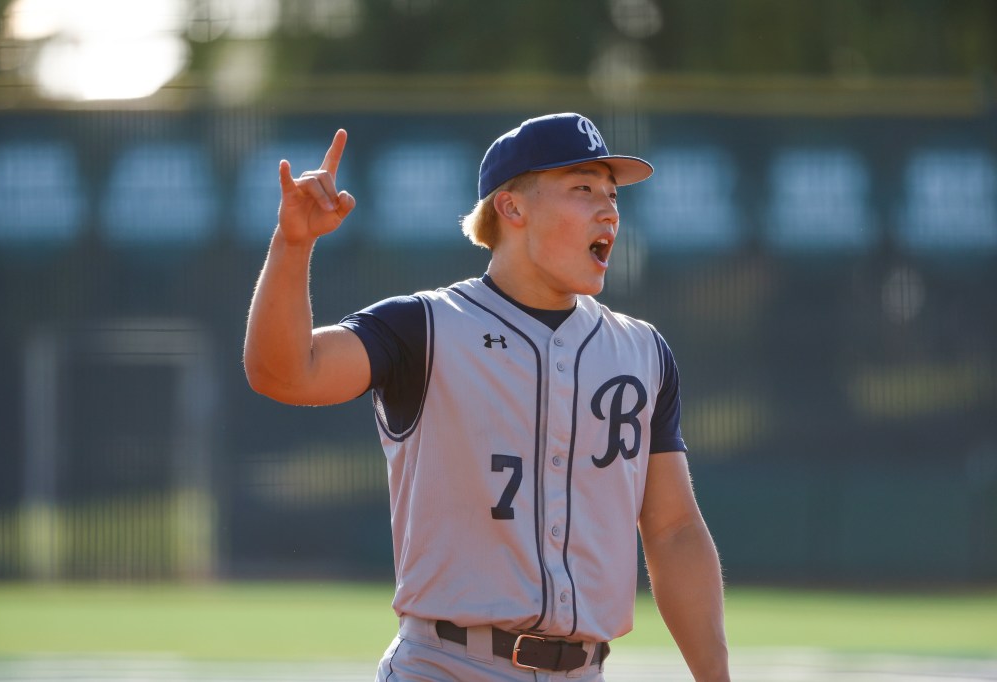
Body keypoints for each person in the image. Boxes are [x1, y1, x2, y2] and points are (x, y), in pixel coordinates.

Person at [244, 113, 731, 681]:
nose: (608, 210)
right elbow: (285, 374)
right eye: (582, 188)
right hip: (447, 666)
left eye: (612, 194)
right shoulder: (425, 326)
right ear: (512, 207)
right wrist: (293, 243)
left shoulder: (641, 350)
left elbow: (674, 530)